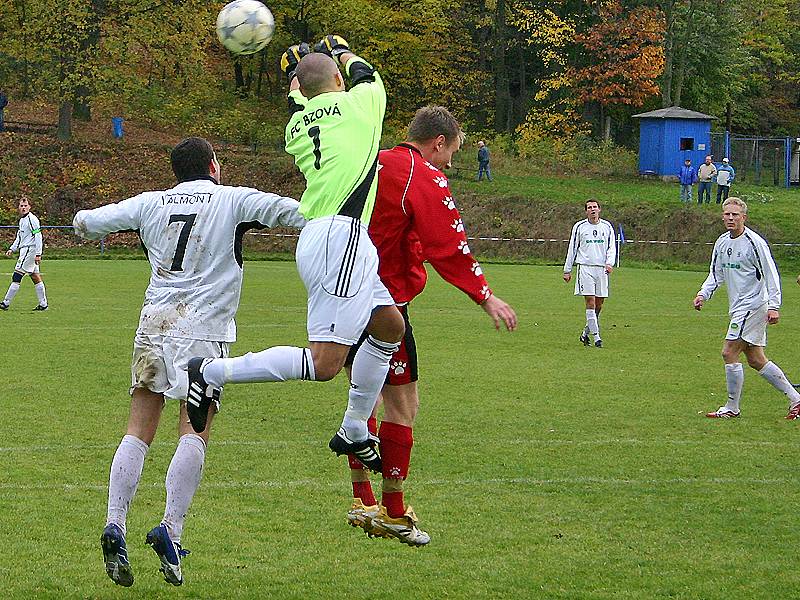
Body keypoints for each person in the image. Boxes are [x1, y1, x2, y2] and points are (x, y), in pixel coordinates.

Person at [72, 137, 305, 587]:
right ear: (214, 165)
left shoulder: (151, 203)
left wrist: (82, 221)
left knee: (137, 429)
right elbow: (291, 211)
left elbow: (91, 222)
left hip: (153, 324)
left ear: (176, 171)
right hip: (204, 332)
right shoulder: (232, 199)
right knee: (193, 430)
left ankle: (114, 522)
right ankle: (171, 530)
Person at [185, 38, 405, 475]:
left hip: (330, 236)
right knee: (325, 364)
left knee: (389, 325)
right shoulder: (360, 106)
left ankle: (355, 427)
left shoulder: (297, 127)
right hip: (339, 240)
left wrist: (301, 68)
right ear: (338, 80)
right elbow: (367, 74)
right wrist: (338, 47)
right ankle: (209, 371)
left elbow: (302, 96)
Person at [343, 106, 518, 546]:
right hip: (385, 306)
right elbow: (449, 246)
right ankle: (394, 512)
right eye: (451, 153)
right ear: (437, 142)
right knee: (403, 408)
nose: (450, 165)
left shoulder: (370, 159)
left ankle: (362, 501)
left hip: (341, 297)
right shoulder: (420, 174)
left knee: (364, 401)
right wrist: (485, 295)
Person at [693, 197, 800, 419]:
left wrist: (774, 306)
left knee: (729, 351)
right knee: (755, 359)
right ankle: (796, 399)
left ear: (744, 217)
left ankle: (732, 407)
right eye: (727, 214)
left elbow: (771, 274)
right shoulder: (722, 243)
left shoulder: (755, 243)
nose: (731, 218)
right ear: (722, 216)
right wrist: (703, 293)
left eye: (735, 215)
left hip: (753, 306)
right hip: (738, 307)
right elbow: (716, 274)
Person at [563, 200, 616, 348]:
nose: (592, 210)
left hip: (602, 269)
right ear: (586, 211)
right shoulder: (579, 227)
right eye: (589, 208)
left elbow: (612, 247)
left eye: (595, 207)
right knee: (590, 302)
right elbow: (572, 248)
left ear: (599, 209)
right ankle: (597, 337)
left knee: (599, 304)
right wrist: (567, 270)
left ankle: (585, 333)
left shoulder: (607, 227)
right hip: (585, 268)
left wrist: (609, 263)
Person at [1, 197, 48, 311]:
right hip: (25, 250)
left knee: (17, 275)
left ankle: (6, 303)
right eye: (21, 206)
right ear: (18, 207)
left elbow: (38, 236)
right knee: (35, 276)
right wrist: (12, 248)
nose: (23, 208)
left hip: (29, 250)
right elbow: (19, 237)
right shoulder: (22, 220)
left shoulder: (32, 219)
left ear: (29, 207)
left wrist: (38, 253)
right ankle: (43, 304)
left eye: (25, 205)